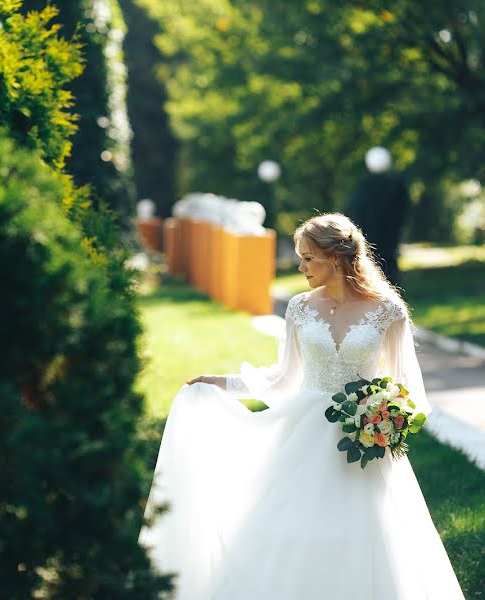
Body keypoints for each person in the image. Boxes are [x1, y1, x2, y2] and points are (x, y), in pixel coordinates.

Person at [139, 213, 464, 599]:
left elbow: (407, 390)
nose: (301, 266)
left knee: (368, 533)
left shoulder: (387, 310)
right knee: (287, 527)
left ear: (336, 257)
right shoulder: (299, 308)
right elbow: (283, 379)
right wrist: (221, 383)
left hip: (363, 444)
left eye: (309, 257)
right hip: (303, 436)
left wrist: (383, 420)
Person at [344, 147, 411, 287]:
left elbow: (353, 213)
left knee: (373, 271)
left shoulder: (362, 187)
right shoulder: (397, 184)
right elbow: (404, 210)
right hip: (389, 239)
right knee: (389, 270)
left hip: (370, 238)